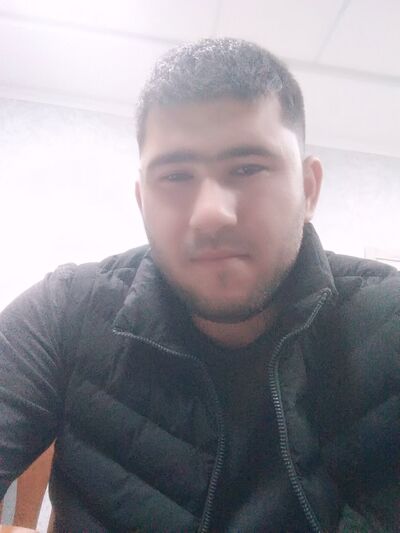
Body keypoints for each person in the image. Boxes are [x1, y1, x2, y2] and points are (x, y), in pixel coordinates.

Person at [0, 38, 399, 533]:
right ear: (142, 201)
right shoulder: (67, 310)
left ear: (308, 188)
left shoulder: (390, 322)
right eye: (175, 176)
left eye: (247, 168)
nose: (211, 213)